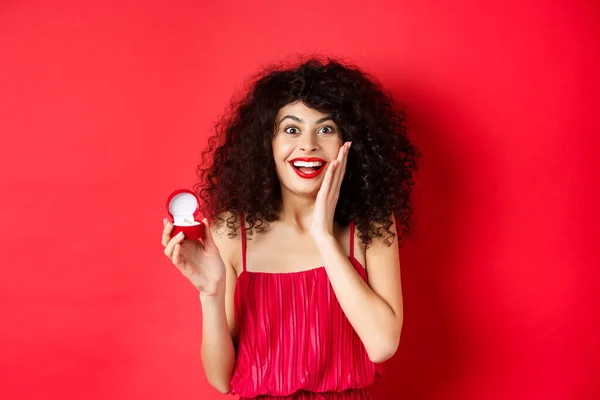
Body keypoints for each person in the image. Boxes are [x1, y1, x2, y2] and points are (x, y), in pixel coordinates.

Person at [161, 56, 420, 399]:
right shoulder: (230, 232)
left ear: (350, 142)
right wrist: (210, 294)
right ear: (266, 143)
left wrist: (324, 236)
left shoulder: (370, 225)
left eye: (326, 129)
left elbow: (382, 345)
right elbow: (221, 380)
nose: (309, 144)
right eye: (292, 129)